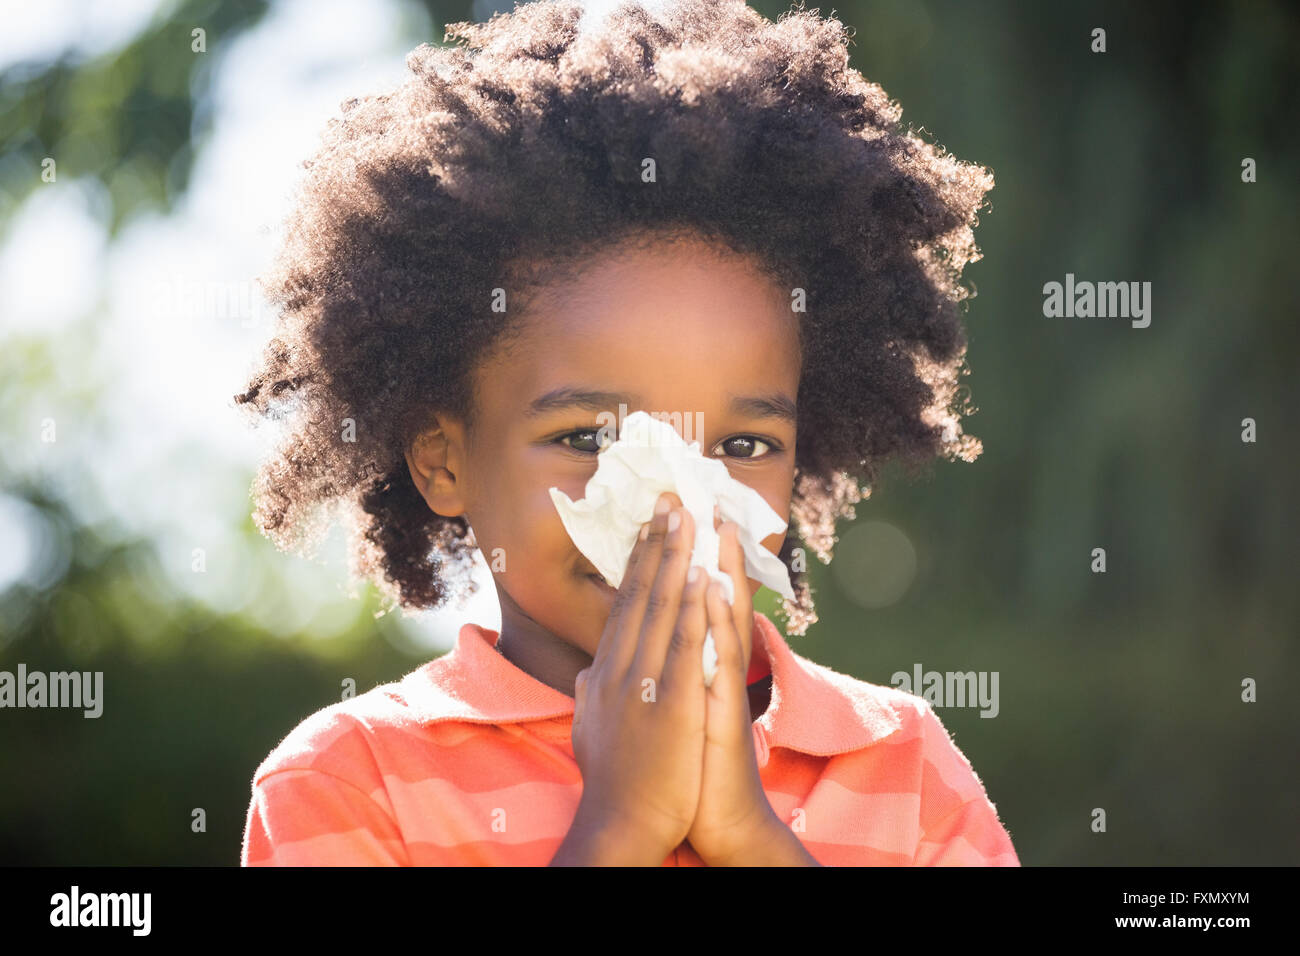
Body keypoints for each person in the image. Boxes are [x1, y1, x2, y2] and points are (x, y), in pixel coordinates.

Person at [235, 0, 1017, 866]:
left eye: (744, 446)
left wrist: (746, 836)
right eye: (590, 439)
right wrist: (620, 828)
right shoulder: (352, 779)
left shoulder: (902, 768)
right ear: (443, 461)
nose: (669, 502)